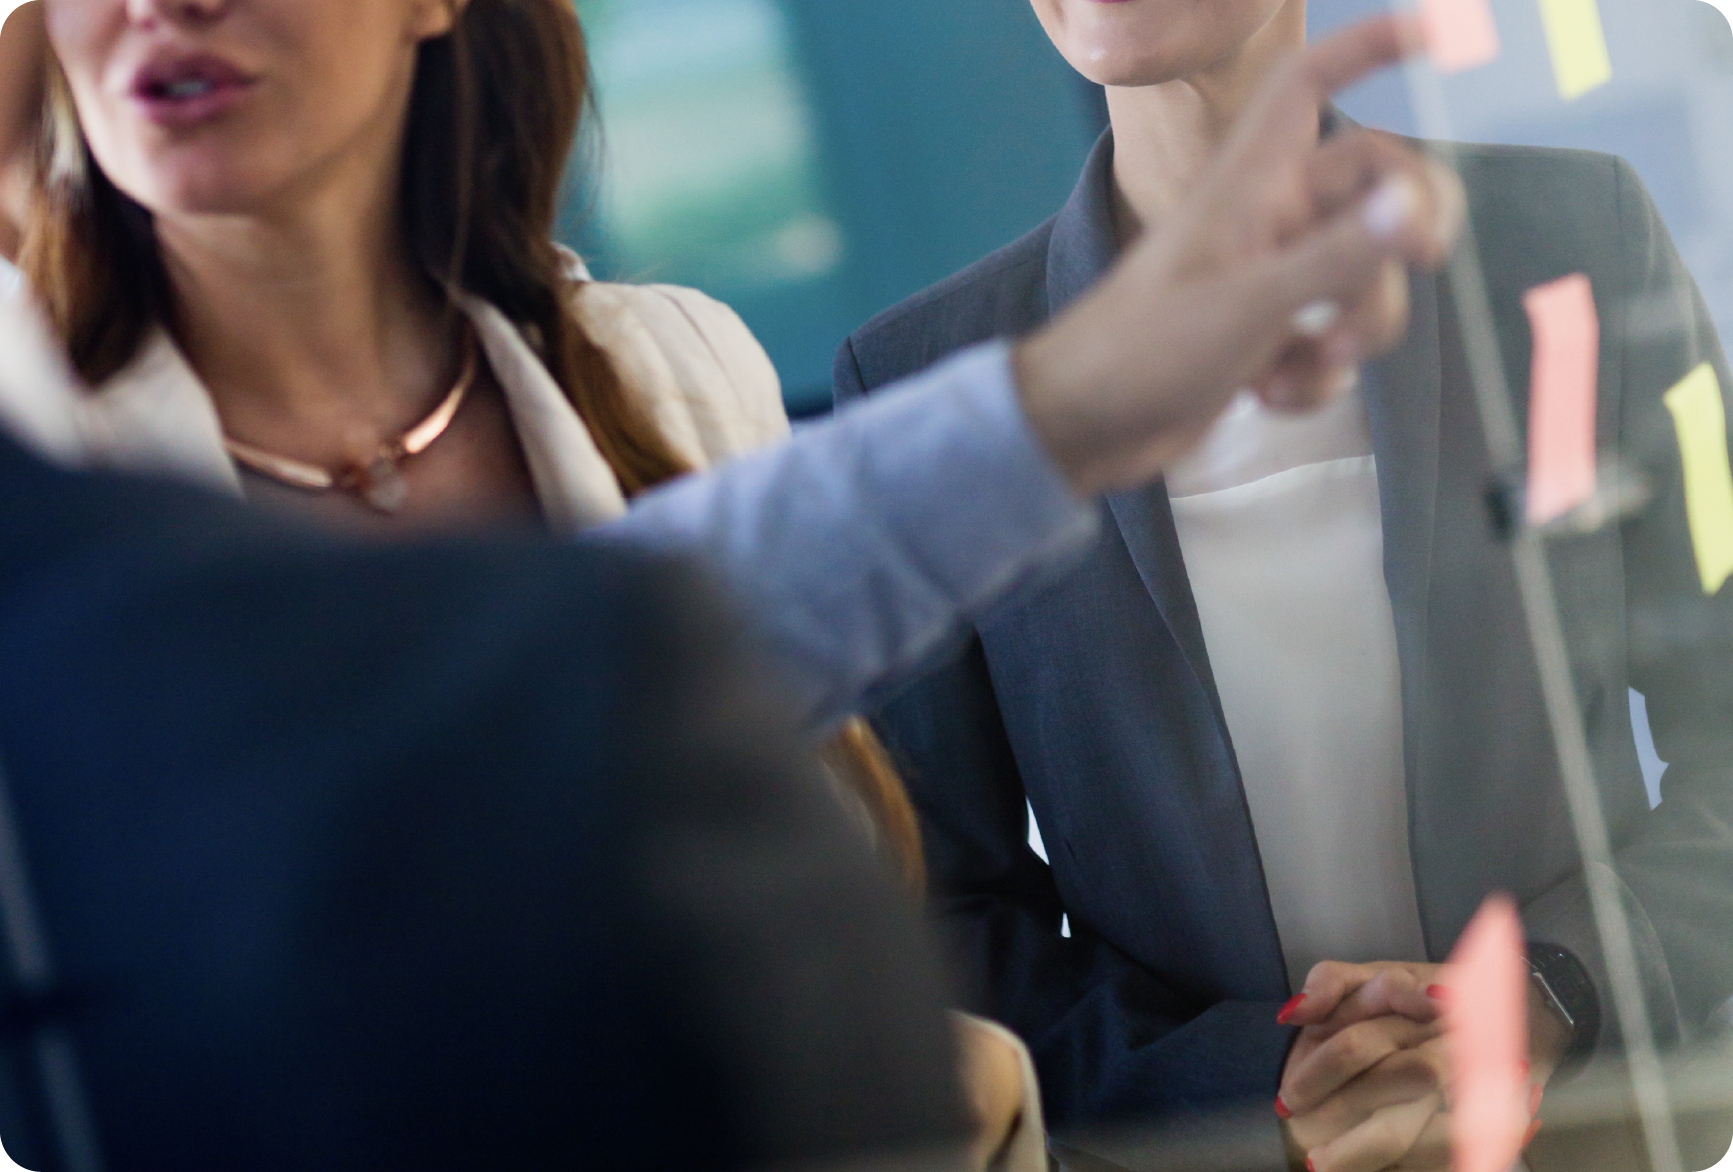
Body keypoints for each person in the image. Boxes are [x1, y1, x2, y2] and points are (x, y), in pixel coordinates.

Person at [0, 0, 1460, 1167]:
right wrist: (1062, 405)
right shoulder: (44, 477)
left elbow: (840, 909)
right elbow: (471, 724)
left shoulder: (666, 373)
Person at [835, 0, 1733, 1169]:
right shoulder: (925, 382)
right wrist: (1256, 1082)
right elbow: (938, 920)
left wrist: (1541, 991)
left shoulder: (1571, 242)